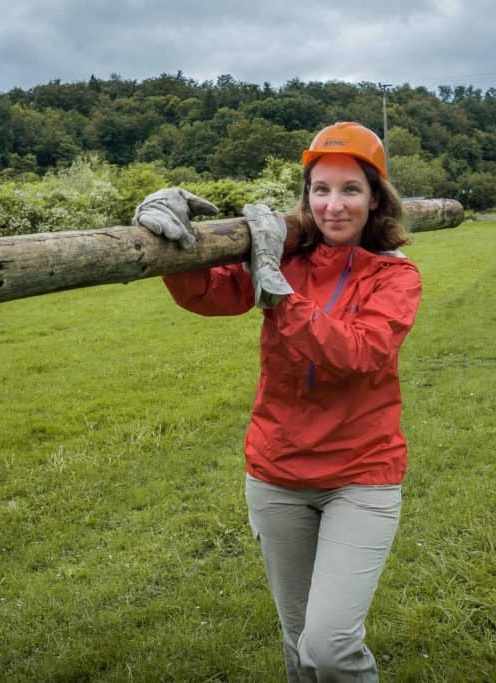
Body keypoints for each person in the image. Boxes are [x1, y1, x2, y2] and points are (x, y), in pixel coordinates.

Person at [133, 121, 422, 682]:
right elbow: (210, 293)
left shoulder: (395, 277)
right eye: (320, 189)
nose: (333, 205)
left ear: (375, 200)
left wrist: (277, 292)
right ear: (306, 196)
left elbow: (359, 352)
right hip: (277, 475)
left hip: (361, 476)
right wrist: (168, 243)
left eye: (350, 190)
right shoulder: (284, 258)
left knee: (331, 648)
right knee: (299, 645)